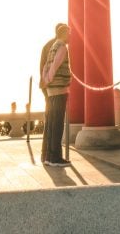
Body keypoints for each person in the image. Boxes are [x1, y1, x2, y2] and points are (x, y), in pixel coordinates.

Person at [40, 22, 71, 166]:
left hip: (51, 89)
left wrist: (46, 80)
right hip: (58, 89)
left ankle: (48, 157)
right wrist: (50, 79)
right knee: (57, 124)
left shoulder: (52, 46)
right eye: (69, 33)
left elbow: (46, 65)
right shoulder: (62, 47)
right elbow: (54, 66)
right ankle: (55, 158)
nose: (70, 36)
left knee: (51, 123)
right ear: (64, 33)